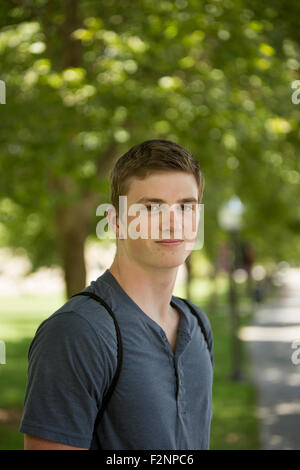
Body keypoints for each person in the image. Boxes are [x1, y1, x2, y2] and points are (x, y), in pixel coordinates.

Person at [19, 139, 214, 450]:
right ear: (115, 221)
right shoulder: (77, 332)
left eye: (186, 207)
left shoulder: (198, 324)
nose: (173, 223)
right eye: (152, 207)